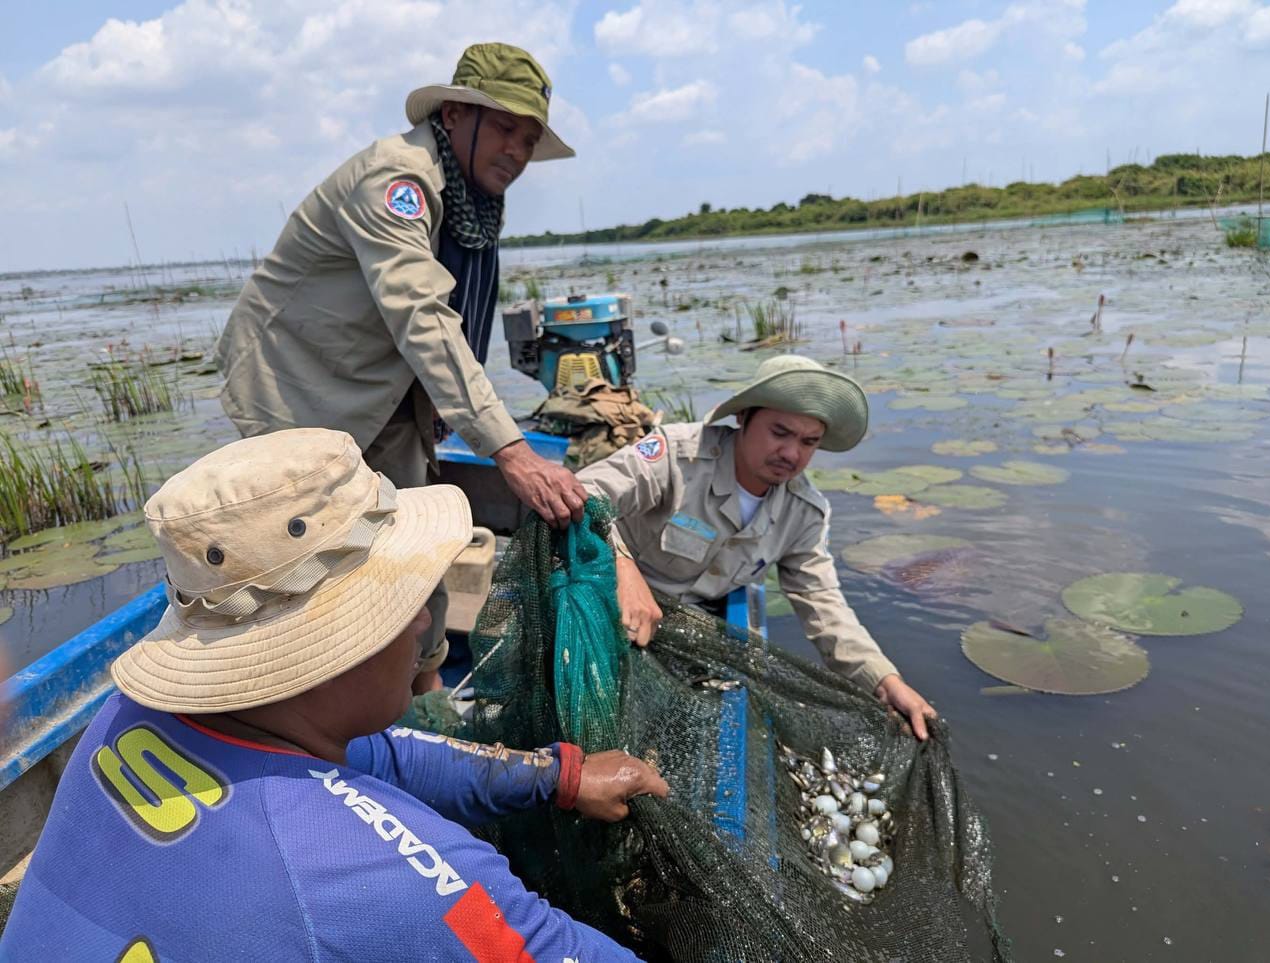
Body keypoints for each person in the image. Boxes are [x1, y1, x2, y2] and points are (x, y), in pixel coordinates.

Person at [0, 429, 665, 961]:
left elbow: (386, 756)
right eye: (400, 599)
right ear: (331, 651)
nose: (423, 620)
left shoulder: (135, 711)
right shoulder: (388, 880)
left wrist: (557, 774)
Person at [215, 42, 588, 690]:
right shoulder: (396, 181)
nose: (517, 152)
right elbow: (421, 313)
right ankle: (303, 694)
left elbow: (447, 318)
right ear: (453, 115)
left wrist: (446, 407)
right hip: (297, 386)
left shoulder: (473, 199)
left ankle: (424, 687)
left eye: (529, 140)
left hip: (383, 387)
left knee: (414, 551)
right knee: (307, 566)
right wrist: (511, 451)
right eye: (505, 128)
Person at [576, 356, 937, 740]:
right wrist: (621, 566)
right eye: (780, 432)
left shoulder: (804, 512)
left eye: (809, 442)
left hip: (687, 624)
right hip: (603, 596)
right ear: (743, 417)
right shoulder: (677, 455)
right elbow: (581, 492)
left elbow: (823, 603)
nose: (792, 454)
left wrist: (884, 680)